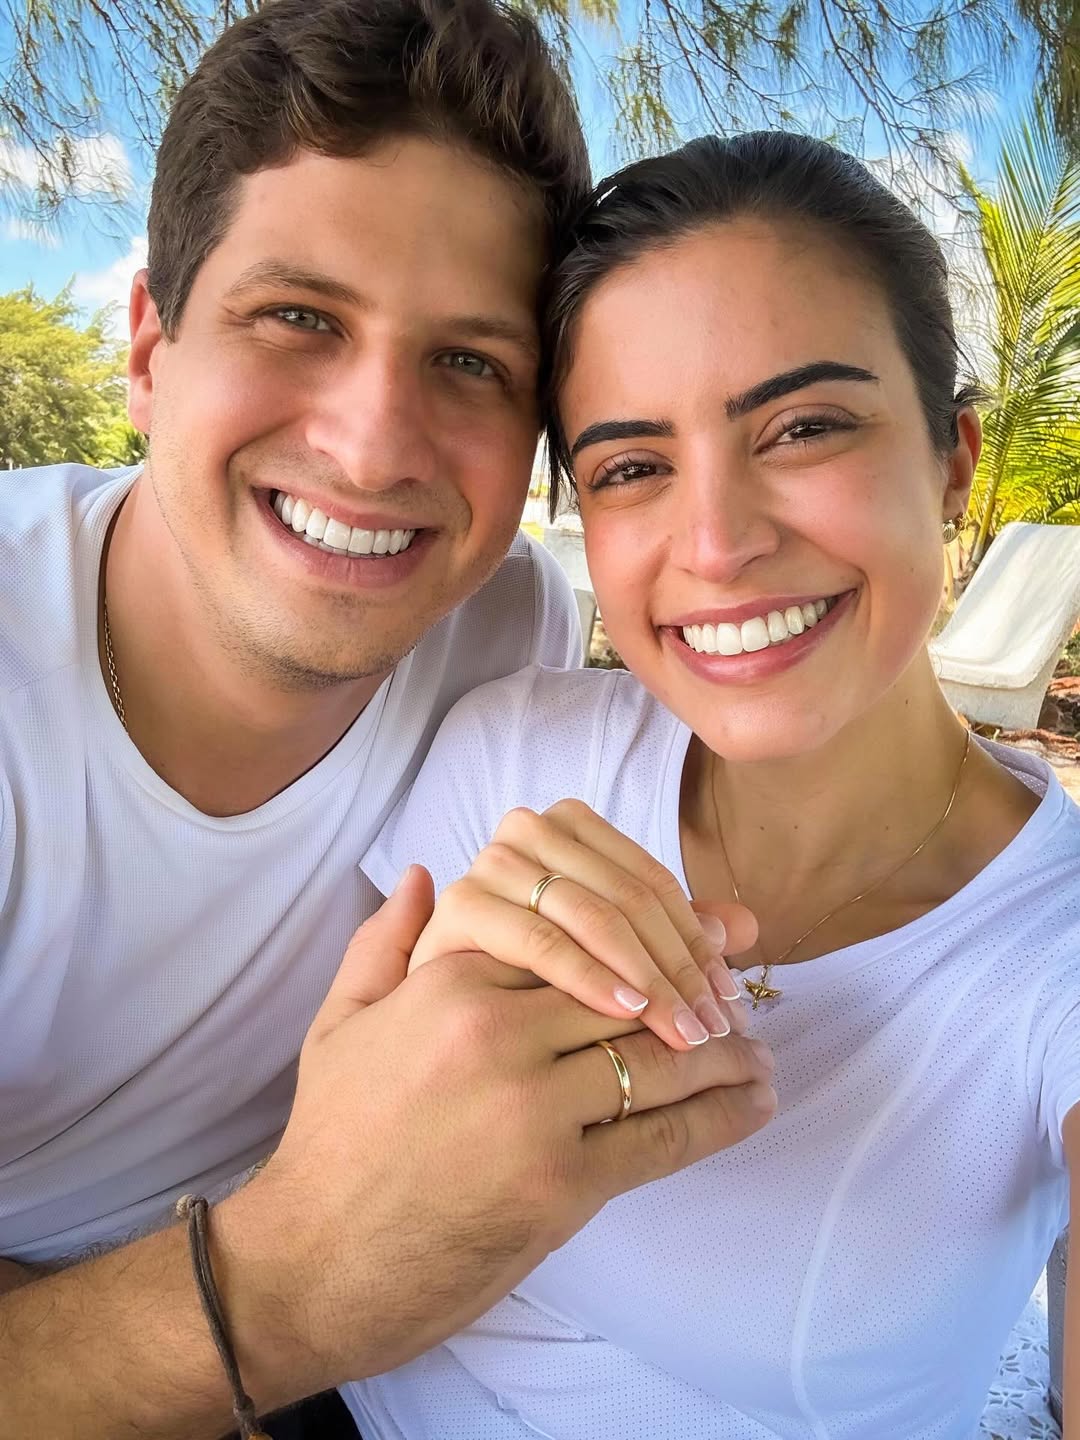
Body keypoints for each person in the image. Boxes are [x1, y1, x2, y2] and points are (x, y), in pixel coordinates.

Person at [0, 7, 777, 1436]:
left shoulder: (504, 625)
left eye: (470, 362)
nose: (370, 450)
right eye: (299, 318)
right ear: (151, 349)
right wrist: (285, 1289)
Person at [344, 132, 1080, 1438]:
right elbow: (333, 1199)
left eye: (803, 428)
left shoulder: (1051, 960)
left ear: (954, 462)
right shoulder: (510, 756)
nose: (719, 544)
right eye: (632, 466)